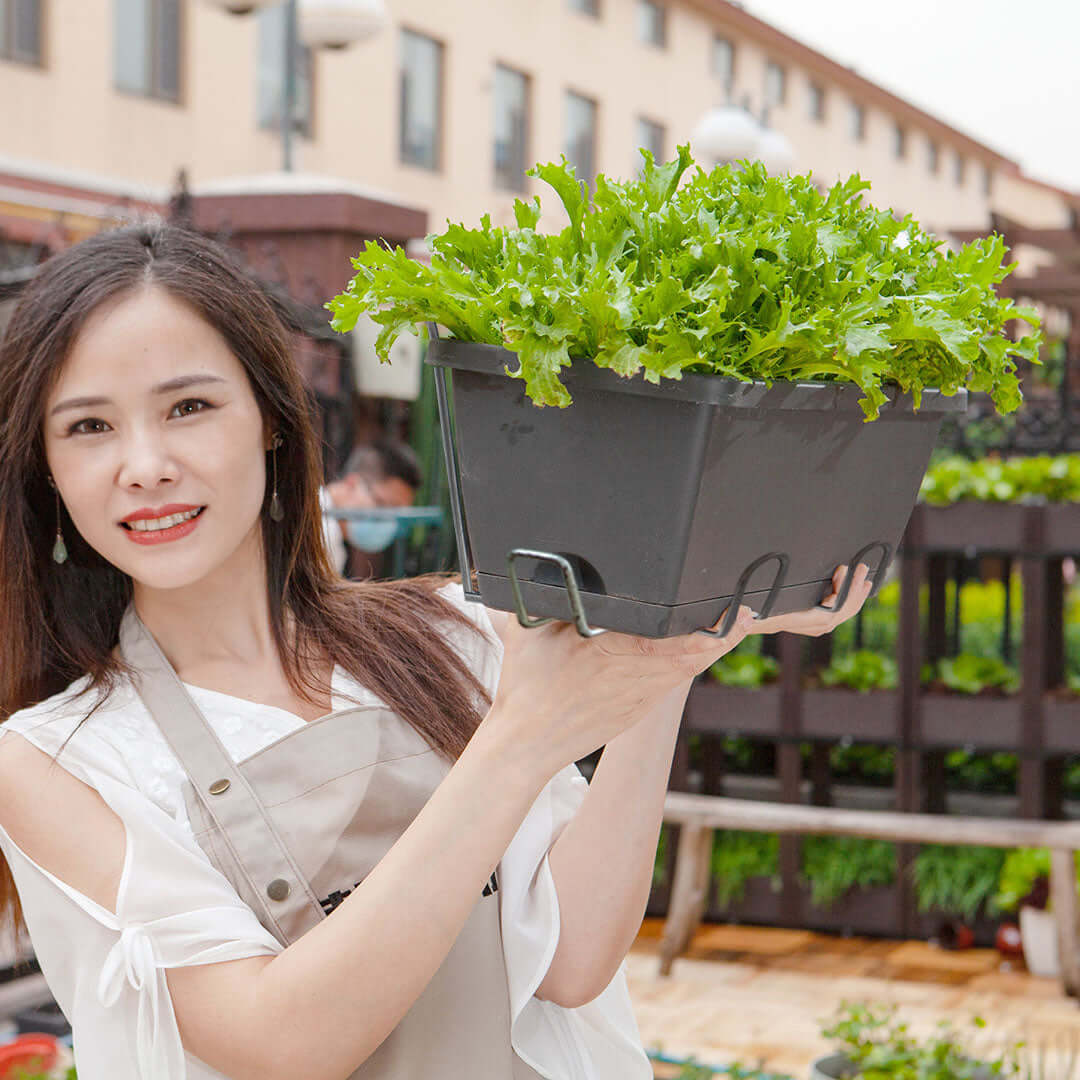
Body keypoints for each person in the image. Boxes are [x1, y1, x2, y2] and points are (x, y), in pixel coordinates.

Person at [0, 223, 873, 1080]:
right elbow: (280, 1044)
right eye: (88, 428)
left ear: (271, 419)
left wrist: (682, 642)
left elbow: (568, 964)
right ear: (45, 469)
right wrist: (518, 739)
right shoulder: (56, 761)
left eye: (188, 407)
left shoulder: (451, 628)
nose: (145, 465)